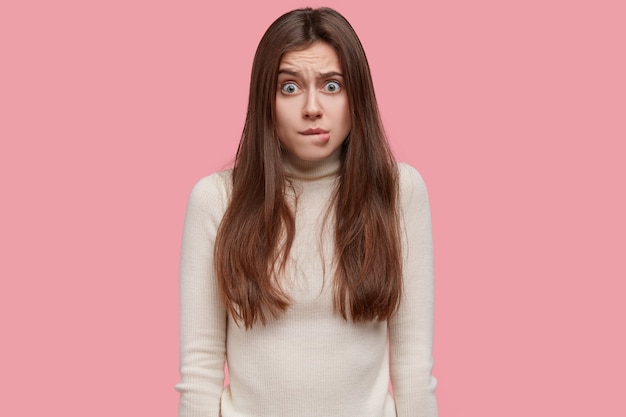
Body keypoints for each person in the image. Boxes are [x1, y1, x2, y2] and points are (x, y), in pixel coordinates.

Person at [176, 7, 438, 417]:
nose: (313, 107)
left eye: (332, 85)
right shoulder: (216, 200)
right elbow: (200, 373)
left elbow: (413, 369)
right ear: (266, 98)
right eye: (290, 88)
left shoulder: (398, 192)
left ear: (357, 96)